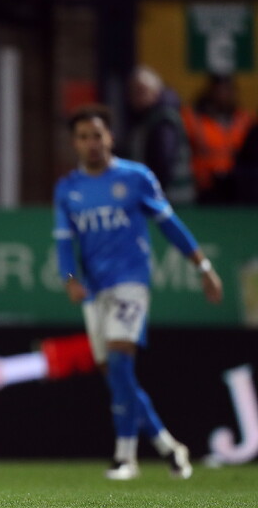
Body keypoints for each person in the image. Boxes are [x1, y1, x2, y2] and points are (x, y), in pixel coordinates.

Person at [53, 105, 223, 480]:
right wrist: (70, 278)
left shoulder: (136, 178)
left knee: (118, 364)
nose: (91, 143)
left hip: (130, 283)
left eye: (97, 135)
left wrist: (204, 267)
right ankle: (168, 445)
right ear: (75, 143)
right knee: (118, 375)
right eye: (83, 137)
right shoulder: (68, 189)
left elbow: (170, 225)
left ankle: (125, 457)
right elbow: (65, 242)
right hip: (95, 291)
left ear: (110, 137)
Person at [181, 74, 254, 204]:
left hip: (236, 185)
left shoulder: (244, 119)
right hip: (204, 185)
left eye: (227, 90)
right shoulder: (193, 118)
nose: (223, 94)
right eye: (218, 90)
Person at [126, 65, 194, 204]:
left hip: (171, 199)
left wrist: (153, 194)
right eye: (133, 91)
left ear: (156, 91)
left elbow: (163, 161)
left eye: (141, 91)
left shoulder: (163, 120)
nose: (136, 97)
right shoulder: (144, 119)